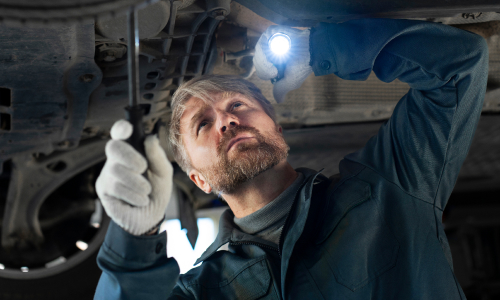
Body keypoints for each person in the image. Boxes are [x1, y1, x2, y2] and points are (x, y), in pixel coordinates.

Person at [94, 18, 488, 299]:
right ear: (199, 180)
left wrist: (317, 49)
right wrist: (134, 242)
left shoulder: (388, 186)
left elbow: (458, 65)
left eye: (238, 104)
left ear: (277, 127)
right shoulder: (204, 290)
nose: (228, 119)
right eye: (203, 123)